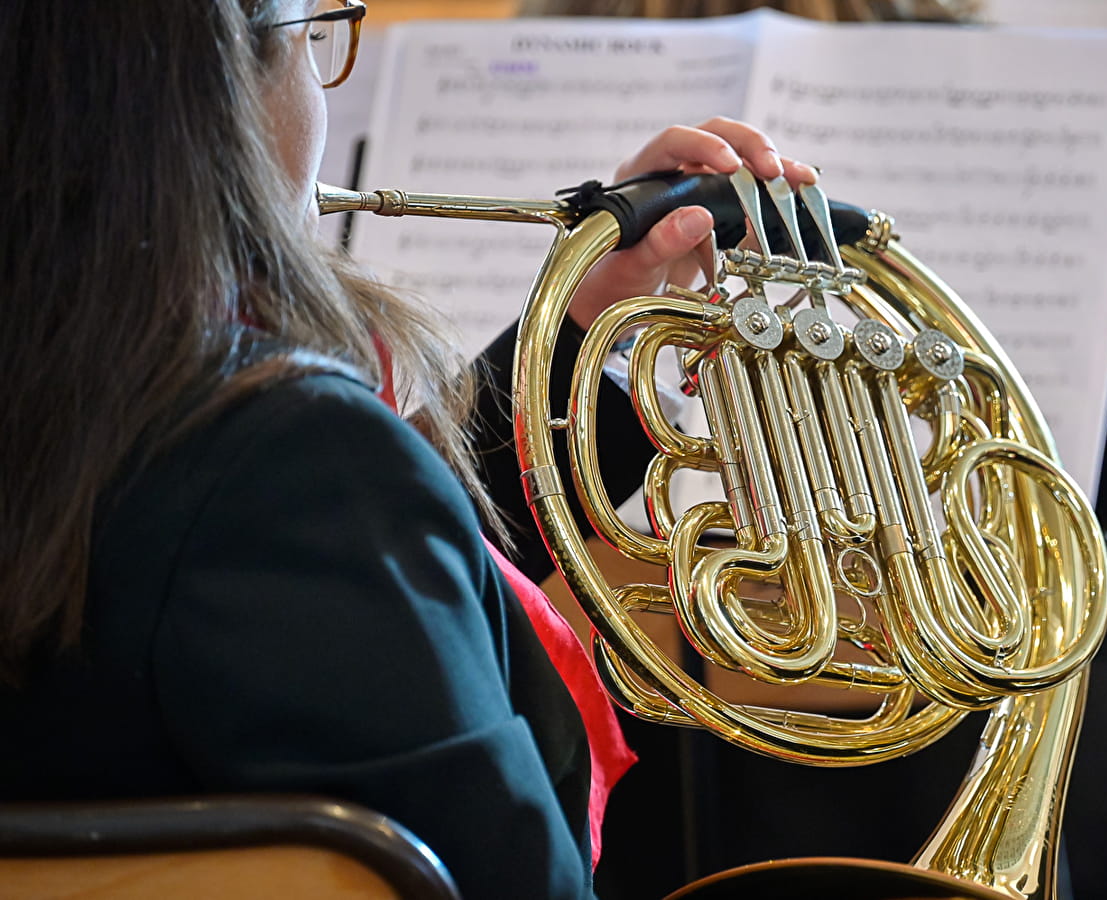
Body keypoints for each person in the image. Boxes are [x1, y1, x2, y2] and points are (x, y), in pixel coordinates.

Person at [490, 3, 1107, 899]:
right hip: (1012, 743)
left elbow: (466, 526)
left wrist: (585, 339)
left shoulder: (526, 94)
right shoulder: (1039, 120)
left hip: (608, 802)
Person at [0, 2, 815, 897]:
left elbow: (361, 571)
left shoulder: (106, 402)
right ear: (216, 96)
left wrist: (590, 330)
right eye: (312, 39)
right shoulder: (281, 464)